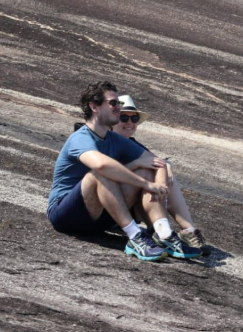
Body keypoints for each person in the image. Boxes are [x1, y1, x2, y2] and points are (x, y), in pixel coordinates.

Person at [47, 81, 201, 261]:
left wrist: (158, 186)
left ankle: (164, 235)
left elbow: (158, 162)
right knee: (101, 173)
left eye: (119, 103)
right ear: (94, 106)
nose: (118, 108)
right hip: (66, 216)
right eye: (113, 103)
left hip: (100, 220)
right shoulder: (80, 138)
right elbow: (101, 166)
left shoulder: (115, 139)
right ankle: (135, 237)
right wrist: (146, 184)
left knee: (145, 169)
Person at [112, 94, 210, 256]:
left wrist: (166, 169)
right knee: (147, 173)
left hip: (131, 207)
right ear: (113, 119)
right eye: (124, 117)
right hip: (114, 207)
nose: (130, 122)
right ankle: (166, 232)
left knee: (163, 172)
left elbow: (158, 162)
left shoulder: (133, 144)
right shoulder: (105, 141)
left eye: (134, 118)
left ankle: (187, 230)